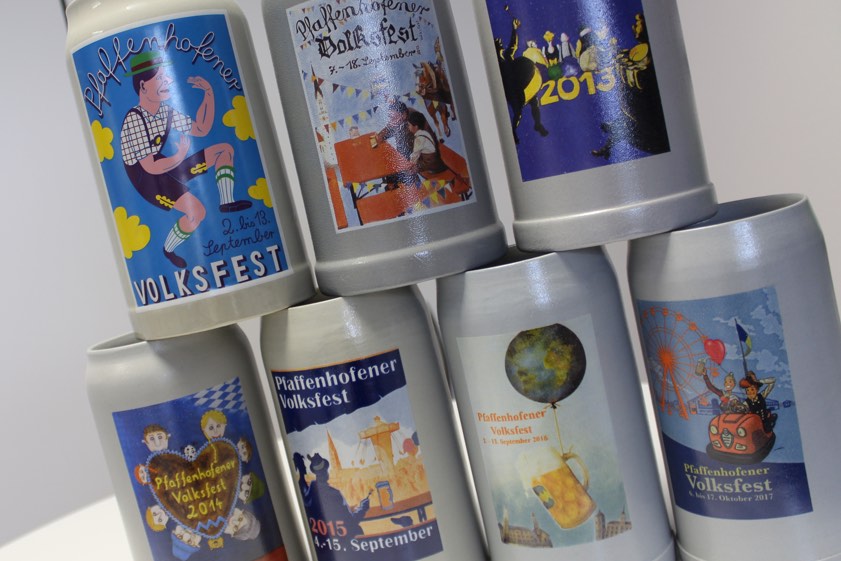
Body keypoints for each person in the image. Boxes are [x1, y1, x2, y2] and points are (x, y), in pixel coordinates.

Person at [120, 50, 253, 269]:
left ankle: (227, 202)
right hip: (147, 179)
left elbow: (200, 129)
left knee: (224, 151)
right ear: (143, 86)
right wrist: (179, 156)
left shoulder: (165, 111)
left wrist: (208, 93)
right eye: (161, 77)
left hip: (166, 164)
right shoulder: (134, 120)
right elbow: (150, 167)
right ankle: (168, 249)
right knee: (196, 213)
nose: (169, 80)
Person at [293, 452, 370, 539]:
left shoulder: (309, 492)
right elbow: (350, 521)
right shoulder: (335, 494)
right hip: (341, 540)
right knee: (358, 530)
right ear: (325, 473)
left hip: (321, 539)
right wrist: (363, 507)